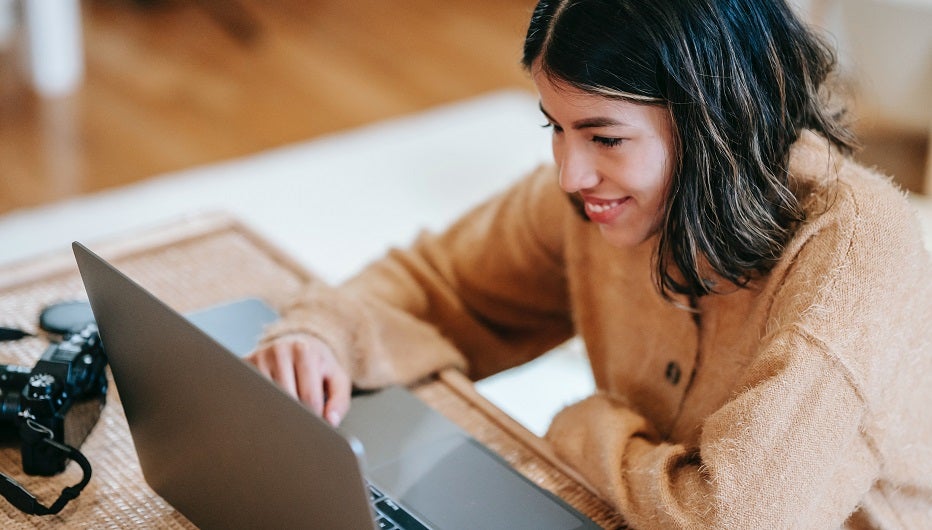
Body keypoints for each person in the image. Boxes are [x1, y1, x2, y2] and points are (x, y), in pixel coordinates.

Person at [247, 0, 932, 527]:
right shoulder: (604, 197)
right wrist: (323, 333)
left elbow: (730, 518)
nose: (572, 174)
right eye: (556, 127)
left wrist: (585, 430)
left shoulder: (856, 256)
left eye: (605, 137)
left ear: (714, 123)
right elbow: (442, 282)